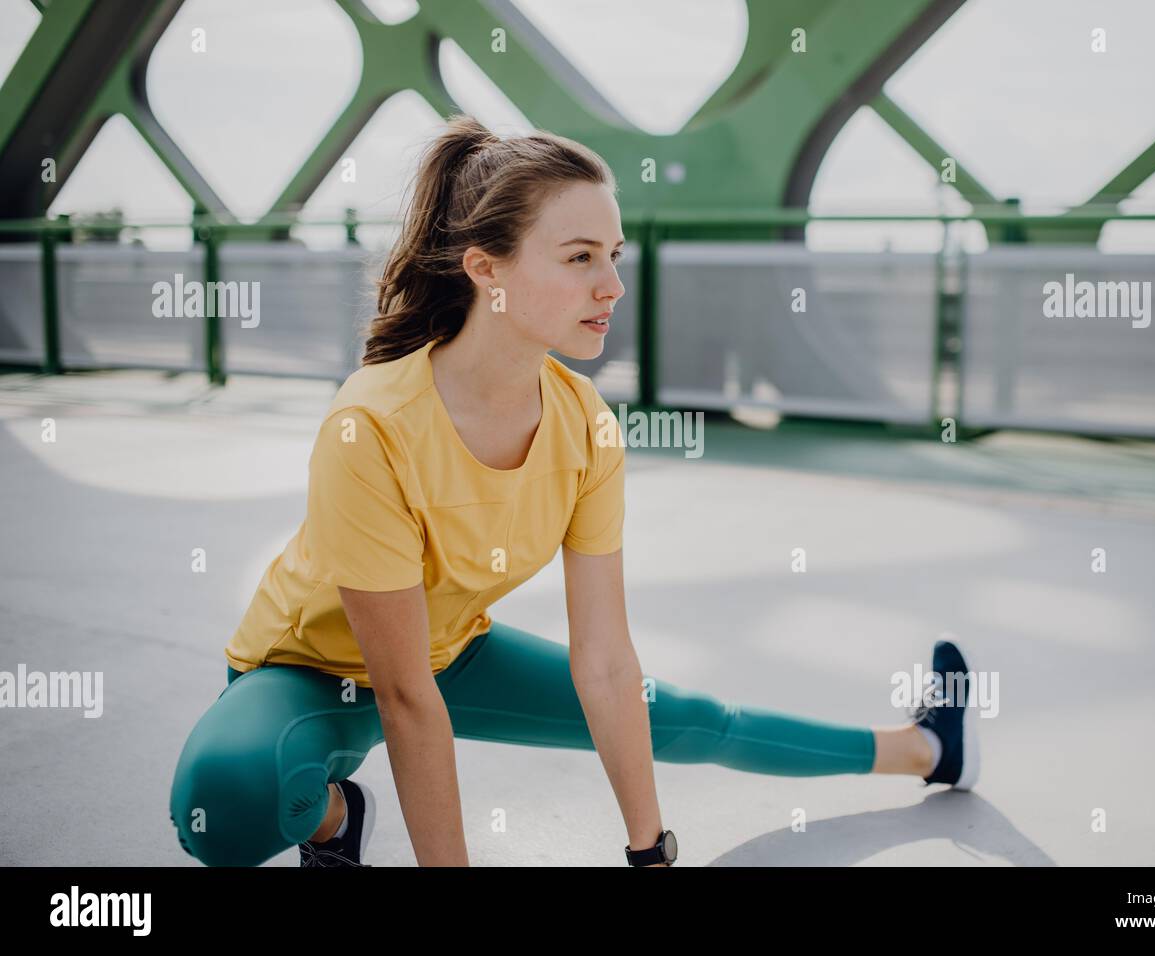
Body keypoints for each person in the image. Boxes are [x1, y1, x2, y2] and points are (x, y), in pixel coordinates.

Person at [168, 113, 980, 868]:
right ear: (486, 271)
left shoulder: (585, 424)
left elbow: (604, 661)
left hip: (451, 653)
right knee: (226, 803)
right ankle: (337, 819)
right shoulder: (371, 424)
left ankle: (926, 746)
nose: (612, 287)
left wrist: (648, 851)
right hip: (310, 671)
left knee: (695, 720)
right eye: (580, 256)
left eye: (615, 256)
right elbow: (406, 699)